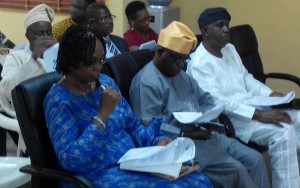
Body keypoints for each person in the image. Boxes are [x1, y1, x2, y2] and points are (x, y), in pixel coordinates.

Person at [44, 24, 212, 188]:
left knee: (198, 180)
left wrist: (157, 141)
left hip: (132, 163)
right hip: (98, 174)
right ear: (71, 62)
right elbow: (71, 159)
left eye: (102, 60)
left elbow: (133, 125)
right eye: (91, 62)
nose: (99, 67)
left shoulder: (105, 83)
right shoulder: (59, 100)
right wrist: (102, 115)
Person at [130, 21, 270, 188]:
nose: (181, 65)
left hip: (205, 134)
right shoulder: (147, 83)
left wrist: (208, 117)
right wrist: (186, 133)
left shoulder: (181, 75)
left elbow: (206, 99)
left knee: (255, 159)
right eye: (177, 59)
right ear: (160, 52)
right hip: (180, 144)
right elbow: (150, 127)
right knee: (236, 169)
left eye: (184, 59)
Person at [186, 7, 300, 188]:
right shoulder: (199, 63)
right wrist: (259, 114)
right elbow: (217, 102)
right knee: (283, 131)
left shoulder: (230, 49)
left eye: (227, 25)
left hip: (254, 105)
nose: (226, 30)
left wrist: (269, 94)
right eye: (220, 25)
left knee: (298, 119)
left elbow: (246, 78)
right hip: (234, 118)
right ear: (205, 31)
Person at [0, 4, 56, 156]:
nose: (45, 37)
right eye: (40, 33)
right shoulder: (16, 57)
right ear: (28, 36)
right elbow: (5, 89)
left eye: (48, 33)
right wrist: (34, 59)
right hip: (32, 113)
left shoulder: (57, 54)